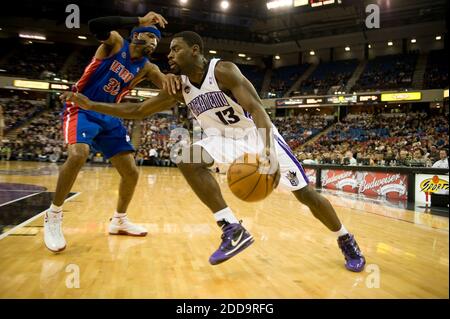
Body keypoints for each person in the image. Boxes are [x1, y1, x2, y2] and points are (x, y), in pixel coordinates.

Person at [63, 31, 366, 272]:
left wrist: (268, 153)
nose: (169, 55)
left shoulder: (222, 70)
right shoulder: (178, 85)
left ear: (195, 50)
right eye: (168, 51)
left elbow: (258, 110)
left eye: (176, 49)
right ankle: (231, 227)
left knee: (306, 195)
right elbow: (141, 110)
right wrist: (91, 105)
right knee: (186, 157)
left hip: (256, 135)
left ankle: (345, 238)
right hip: (220, 139)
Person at [44, 11, 181, 253]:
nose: (153, 42)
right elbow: (95, 22)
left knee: (131, 172)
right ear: (136, 35)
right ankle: (54, 215)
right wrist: (139, 20)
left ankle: (119, 220)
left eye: (156, 41)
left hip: (110, 114)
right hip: (81, 106)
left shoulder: (147, 68)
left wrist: (175, 80)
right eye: (149, 36)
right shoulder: (116, 43)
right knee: (78, 154)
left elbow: (167, 85)